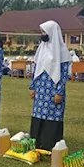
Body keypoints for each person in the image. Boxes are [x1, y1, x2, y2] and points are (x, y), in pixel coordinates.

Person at [29, 21, 71, 150]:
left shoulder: (62, 51)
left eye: (44, 32)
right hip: (40, 90)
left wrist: (59, 92)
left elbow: (63, 75)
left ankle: (49, 143)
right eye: (41, 32)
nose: (42, 35)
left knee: (53, 115)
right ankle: (37, 141)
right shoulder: (41, 48)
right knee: (38, 114)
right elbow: (36, 69)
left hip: (53, 91)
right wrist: (33, 87)